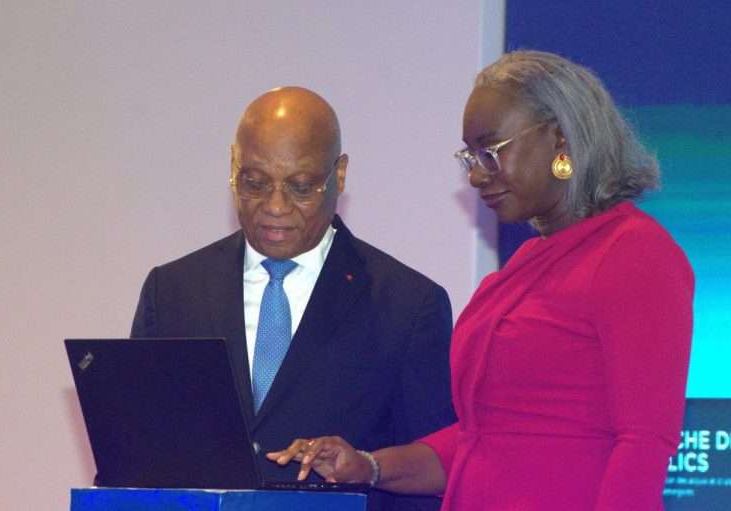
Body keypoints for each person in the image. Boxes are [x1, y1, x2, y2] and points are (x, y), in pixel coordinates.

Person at [268, 51, 694, 510]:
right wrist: (369, 466)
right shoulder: (523, 267)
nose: (474, 175)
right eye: (470, 156)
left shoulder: (635, 254)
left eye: (491, 152)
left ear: (559, 138)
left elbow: (643, 444)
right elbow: (481, 442)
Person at [130, 86, 456, 511]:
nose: (275, 205)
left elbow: (431, 476)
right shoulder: (173, 291)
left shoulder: (407, 306)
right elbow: (137, 459)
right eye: (255, 183)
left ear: (339, 175)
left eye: (301, 187)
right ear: (233, 167)